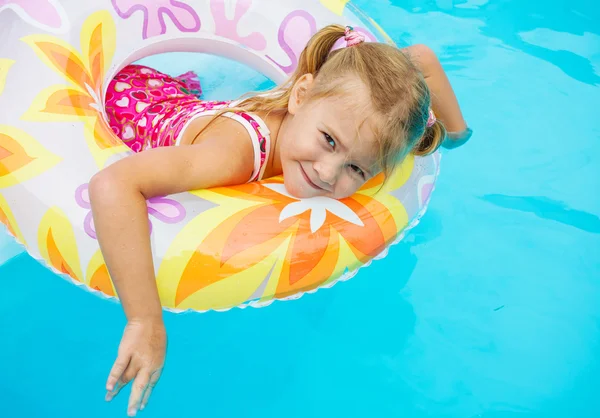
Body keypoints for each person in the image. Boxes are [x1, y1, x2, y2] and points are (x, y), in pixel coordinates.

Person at [91, 25, 469, 416]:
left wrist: (456, 135)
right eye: (329, 141)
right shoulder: (233, 154)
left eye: (356, 169)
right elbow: (114, 184)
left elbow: (420, 58)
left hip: (179, 99)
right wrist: (143, 320)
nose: (326, 174)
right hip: (131, 104)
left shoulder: (341, 117)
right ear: (300, 95)